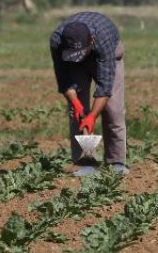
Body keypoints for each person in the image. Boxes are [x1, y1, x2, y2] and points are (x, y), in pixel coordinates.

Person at [49, 11, 128, 176]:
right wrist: (77, 105)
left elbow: (105, 87)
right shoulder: (57, 41)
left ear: (91, 40)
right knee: (77, 114)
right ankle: (86, 163)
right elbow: (64, 79)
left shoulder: (103, 38)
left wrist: (92, 116)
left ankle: (116, 163)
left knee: (113, 110)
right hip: (74, 62)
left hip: (108, 54)